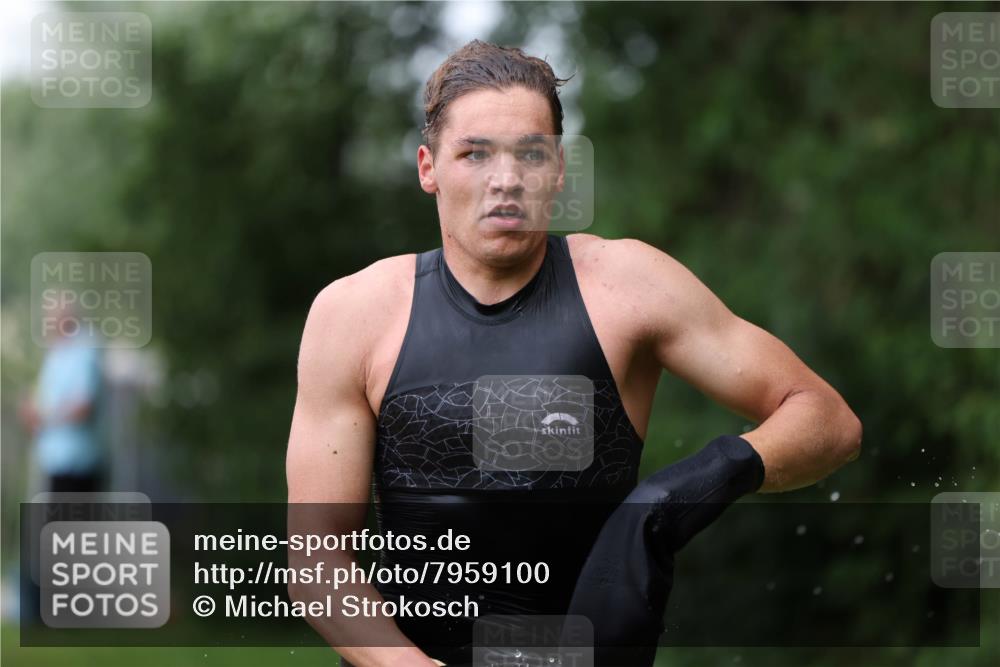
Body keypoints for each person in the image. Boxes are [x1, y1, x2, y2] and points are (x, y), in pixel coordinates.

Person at [285, 40, 861, 667]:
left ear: (558, 169)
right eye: (474, 153)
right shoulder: (354, 314)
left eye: (530, 154)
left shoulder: (629, 288)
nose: (505, 180)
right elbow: (317, 560)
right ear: (429, 168)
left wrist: (672, 497)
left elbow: (828, 420)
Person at [21, 305, 106, 494]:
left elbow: (83, 407)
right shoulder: (56, 354)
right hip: (56, 463)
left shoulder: (84, 350)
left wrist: (46, 419)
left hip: (78, 466)